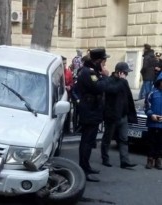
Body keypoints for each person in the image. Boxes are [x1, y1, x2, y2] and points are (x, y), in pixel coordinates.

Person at [76, 48, 110, 182]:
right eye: (103, 61)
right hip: (89, 110)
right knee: (86, 141)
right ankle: (82, 170)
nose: (104, 63)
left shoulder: (93, 71)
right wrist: (105, 76)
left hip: (93, 110)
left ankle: (86, 166)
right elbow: (99, 87)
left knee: (90, 141)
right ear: (98, 61)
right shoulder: (88, 72)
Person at [101, 62, 137, 169]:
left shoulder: (124, 82)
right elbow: (113, 90)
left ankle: (125, 161)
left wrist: (130, 113)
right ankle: (105, 158)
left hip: (123, 115)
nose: (126, 75)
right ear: (120, 72)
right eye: (125, 72)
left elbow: (129, 97)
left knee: (124, 139)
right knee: (107, 138)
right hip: (112, 116)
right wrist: (121, 80)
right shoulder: (109, 80)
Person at [144, 72, 162, 169]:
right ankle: (150, 159)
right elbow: (147, 106)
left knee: (160, 142)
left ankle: (158, 159)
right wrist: (151, 114)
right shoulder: (152, 93)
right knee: (151, 142)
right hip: (152, 122)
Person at [61, 56, 73, 134]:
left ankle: (66, 130)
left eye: (65, 63)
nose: (64, 65)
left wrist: (70, 87)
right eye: (63, 63)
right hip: (59, 97)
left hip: (67, 96)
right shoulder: (58, 72)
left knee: (67, 114)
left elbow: (71, 83)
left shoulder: (68, 72)